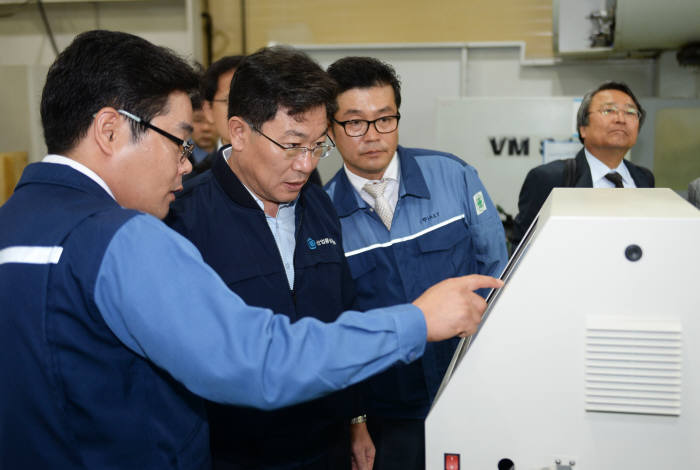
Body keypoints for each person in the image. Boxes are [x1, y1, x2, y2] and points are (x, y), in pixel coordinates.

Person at [0, 30, 501, 469]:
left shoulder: (14, 226)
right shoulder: (128, 235)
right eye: (178, 140)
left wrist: (353, 417)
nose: (183, 163)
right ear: (110, 130)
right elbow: (257, 360)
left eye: (317, 146)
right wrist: (415, 321)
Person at [166, 46, 357, 469]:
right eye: (291, 145)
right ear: (239, 131)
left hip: (326, 449)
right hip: (232, 455)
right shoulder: (183, 218)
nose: (306, 165)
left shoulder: (319, 207)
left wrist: (357, 418)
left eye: (317, 146)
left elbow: (343, 316)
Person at [324, 57, 508, 470]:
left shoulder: (454, 176)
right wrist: (355, 420)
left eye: (384, 119)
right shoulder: (320, 217)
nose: (372, 135)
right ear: (330, 130)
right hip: (388, 414)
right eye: (354, 122)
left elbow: (497, 272)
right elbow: (335, 327)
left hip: (470, 390)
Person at [511, 81, 655, 245]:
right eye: (609, 110)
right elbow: (523, 251)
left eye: (630, 112)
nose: (621, 119)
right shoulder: (550, 179)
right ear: (583, 128)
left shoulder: (644, 178)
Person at [189, 55, 244, 177]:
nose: (243, 111)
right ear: (209, 110)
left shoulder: (290, 172)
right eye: (229, 101)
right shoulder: (193, 182)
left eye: (251, 100)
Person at [190, 91, 218, 164]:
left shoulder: (230, 157)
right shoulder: (177, 157)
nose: (206, 128)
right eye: (198, 120)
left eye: (212, 120)